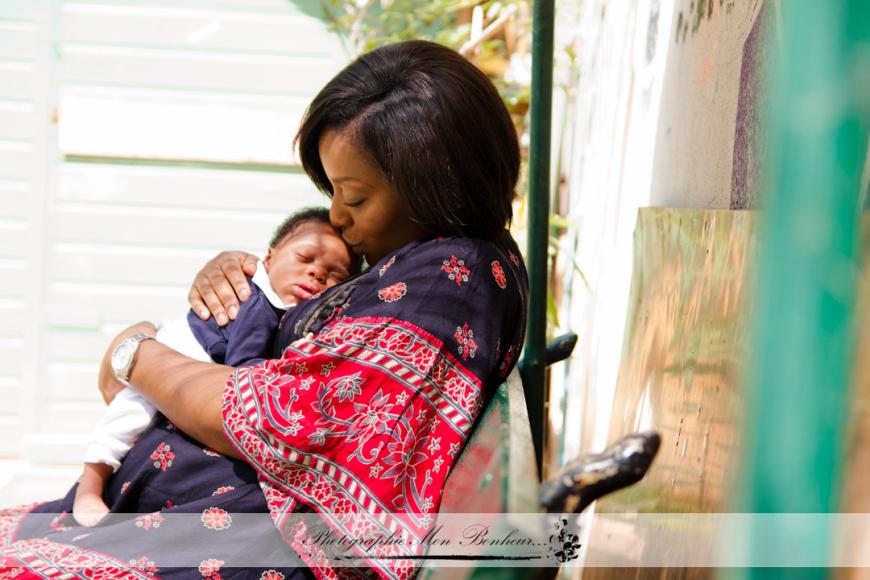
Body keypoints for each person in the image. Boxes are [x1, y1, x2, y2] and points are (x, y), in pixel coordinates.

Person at [0, 39, 528, 579]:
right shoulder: (421, 260)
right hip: (161, 523)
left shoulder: (450, 277)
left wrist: (134, 352)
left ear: (434, 186)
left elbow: (277, 415)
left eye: (355, 196)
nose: (337, 216)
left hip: (231, 553)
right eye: (333, 191)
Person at [72, 208, 359, 528]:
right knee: (128, 418)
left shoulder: (286, 308)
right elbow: (243, 366)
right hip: (175, 355)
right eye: (306, 258)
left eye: (335, 274)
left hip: (184, 366)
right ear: (268, 258)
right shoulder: (258, 302)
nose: (318, 274)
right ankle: (89, 487)